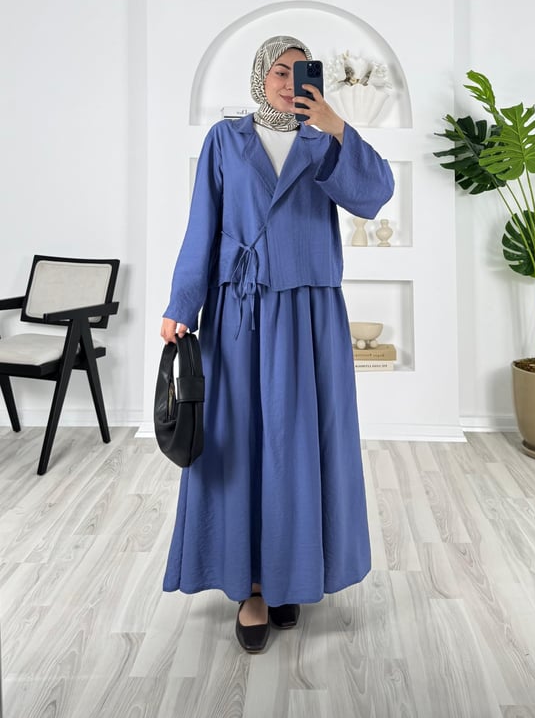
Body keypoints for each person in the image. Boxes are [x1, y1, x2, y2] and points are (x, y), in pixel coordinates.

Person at [161, 35, 394, 653]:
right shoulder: (225, 140)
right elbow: (202, 227)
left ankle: (291, 572)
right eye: (280, 73)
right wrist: (182, 306)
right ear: (260, 78)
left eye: (301, 71)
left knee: (299, 443)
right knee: (241, 442)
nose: (291, 83)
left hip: (309, 312)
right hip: (239, 312)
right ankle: (253, 587)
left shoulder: (324, 141)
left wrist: (335, 125)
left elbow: (375, 195)